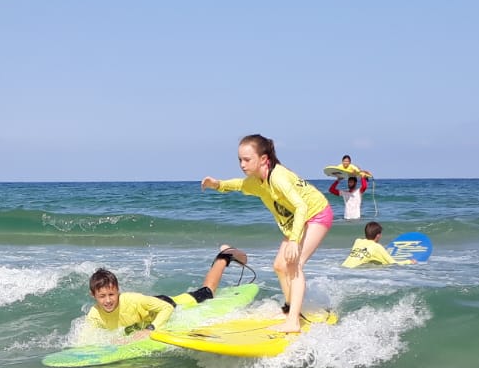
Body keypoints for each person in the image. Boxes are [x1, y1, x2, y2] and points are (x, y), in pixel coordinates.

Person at [201, 134, 332, 333]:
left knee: (294, 265)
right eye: (240, 160)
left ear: (263, 159)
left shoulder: (278, 177)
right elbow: (238, 184)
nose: (242, 164)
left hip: (315, 215)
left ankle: (294, 321)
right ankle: (290, 310)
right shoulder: (257, 182)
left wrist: (295, 240)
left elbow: (301, 206)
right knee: (280, 266)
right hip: (296, 222)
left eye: (247, 159)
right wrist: (217, 184)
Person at [84, 245, 248, 341]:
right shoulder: (94, 314)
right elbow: (89, 337)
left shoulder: (133, 300)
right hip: (149, 312)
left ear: (118, 291)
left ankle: (224, 256)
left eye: (111, 294)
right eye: (102, 296)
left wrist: (150, 329)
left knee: (207, 292)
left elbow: (167, 309)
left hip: (168, 304)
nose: (108, 301)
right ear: (94, 296)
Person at [342, 221, 409, 267]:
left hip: (343, 267)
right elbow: (393, 263)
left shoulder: (358, 241)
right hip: (353, 271)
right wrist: (410, 262)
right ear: (378, 235)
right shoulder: (377, 247)